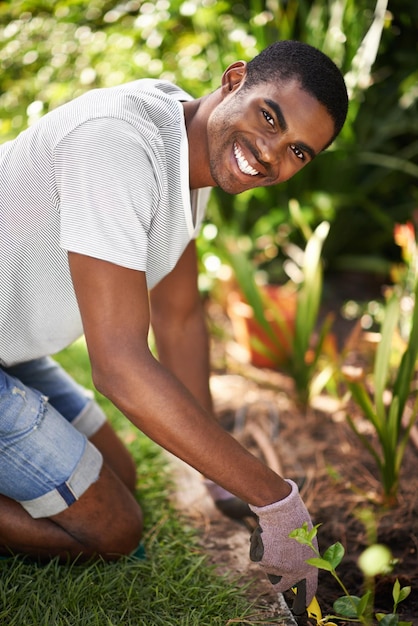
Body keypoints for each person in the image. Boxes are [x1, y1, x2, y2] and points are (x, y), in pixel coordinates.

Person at [0, 40, 348, 607]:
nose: (269, 153)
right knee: (113, 531)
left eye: (297, 152)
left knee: (120, 476)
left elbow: (179, 317)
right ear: (235, 79)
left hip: (10, 347)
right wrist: (274, 499)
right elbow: (118, 367)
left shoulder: (188, 153)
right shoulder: (117, 142)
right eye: (269, 117)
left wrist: (220, 474)